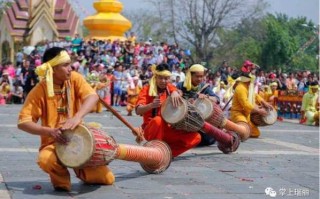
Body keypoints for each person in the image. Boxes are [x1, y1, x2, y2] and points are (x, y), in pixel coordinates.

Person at [17, 47, 115, 192]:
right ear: (53, 69)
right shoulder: (39, 90)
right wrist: (49, 131)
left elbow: (93, 96)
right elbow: (23, 122)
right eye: (66, 65)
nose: (71, 68)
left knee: (107, 179)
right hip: (53, 143)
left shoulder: (74, 78)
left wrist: (77, 117)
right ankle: (62, 180)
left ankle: (81, 168)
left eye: (70, 64)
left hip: (81, 139)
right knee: (45, 160)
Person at [135, 63, 238, 157]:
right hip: (152, 128)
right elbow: (138, 110)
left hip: (170, 128)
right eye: (160, 78)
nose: (163, 81)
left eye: (166, 78)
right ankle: (155, 151)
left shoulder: (172, 87)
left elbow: (216, 99)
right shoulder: (146, 89)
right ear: (155, 77)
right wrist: (151, 105)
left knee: (196, 137)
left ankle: (167, 154)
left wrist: (178, 93)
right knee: (158, 120)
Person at [176, 64, 220, 146]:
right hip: (183, 121)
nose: (200, 79)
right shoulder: (181, 86)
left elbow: (217, 99)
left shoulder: (204, 87)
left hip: (199, 121)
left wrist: (206, 96)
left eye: (201, 76)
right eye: (197, 76)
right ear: (190, 75)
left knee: (208, 140)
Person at [230, 60, 274, 140]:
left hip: (247, 114)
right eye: (253, 75)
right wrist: (259, 111)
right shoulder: (241, 88)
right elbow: (245, 104)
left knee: (256, 133)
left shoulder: (248, 86)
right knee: (244, 132)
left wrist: (264, 102)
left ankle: (234, 126)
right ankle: (231, 126)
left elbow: (255, 95)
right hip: (238, 113)